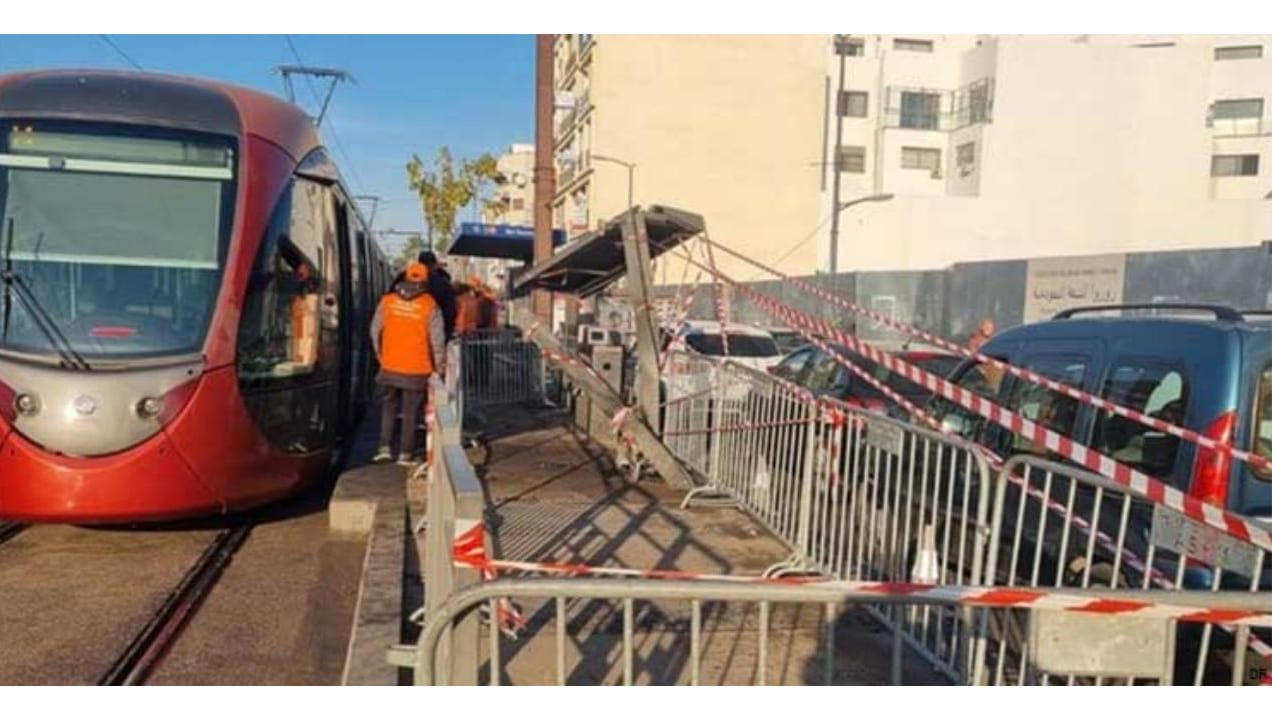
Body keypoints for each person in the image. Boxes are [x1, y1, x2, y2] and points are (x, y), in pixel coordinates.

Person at [370, 261, 445, 466]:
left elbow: (374, 331)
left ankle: (384, 448)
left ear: (405, 277)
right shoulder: (430, 305)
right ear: (425, 281)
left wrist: (381, 356)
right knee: (411, 411)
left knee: (388, 407)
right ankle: (405, 454)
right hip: (418, 369)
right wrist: (439, 368)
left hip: (389, 366)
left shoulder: (388, 301)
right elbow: (437, 341)